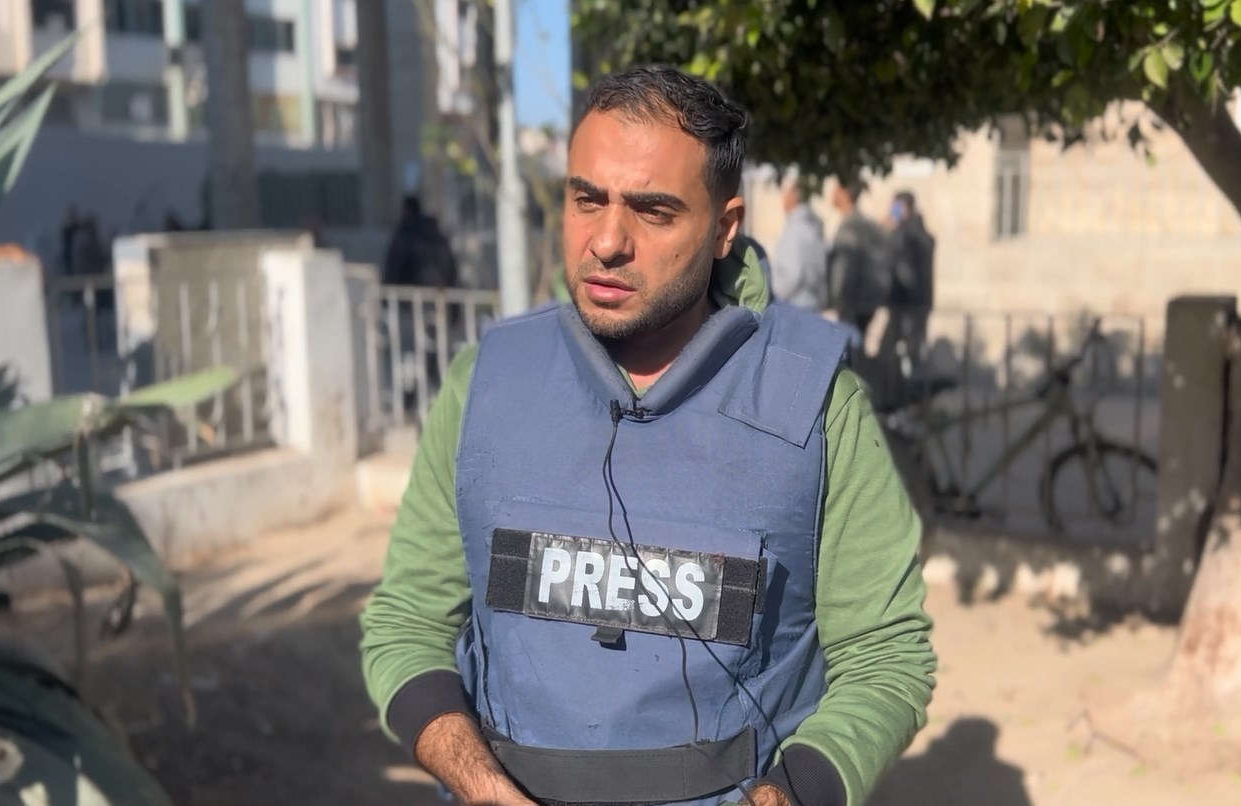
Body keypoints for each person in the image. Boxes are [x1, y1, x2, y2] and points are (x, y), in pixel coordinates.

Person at [360, 65, 935, 806]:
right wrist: (482, 786)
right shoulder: (486, 383)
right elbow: (407, 625)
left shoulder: (817, 402)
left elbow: (886, 658)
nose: (606, 241)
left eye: (653, 211)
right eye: (586, 199)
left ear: (724, 227)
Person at [827, 178, 891, 336]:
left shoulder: (850, 227)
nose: (832, 193)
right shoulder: (868, 224)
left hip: (851, 303)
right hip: (868, 302)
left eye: (836, 189)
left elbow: (843, 270)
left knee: (850, 347)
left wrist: (837, 300)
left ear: (844, 194)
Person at [886, 191, 936, 377]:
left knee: (901, 351)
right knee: (915, 349)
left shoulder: (903, 235)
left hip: (905, 302)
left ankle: (903, 388)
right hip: (922, 302)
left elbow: (904, 271)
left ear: (904, 208)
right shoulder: (924, 235)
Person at [769, 174, 828, 312]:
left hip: (796, 307)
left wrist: (771, 298)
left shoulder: (795, 231)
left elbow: (791, 275)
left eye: (785, 192)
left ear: (794, 195)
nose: (783, 198)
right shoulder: (813, 228)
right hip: (813, 305)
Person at [382, 194, 458, 288]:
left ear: (405, 210)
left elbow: (393, 267)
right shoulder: (436, 234)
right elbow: (451, 269)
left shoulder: (405, 234)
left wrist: (387, 287)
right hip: (442, 291)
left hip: (411, 293)